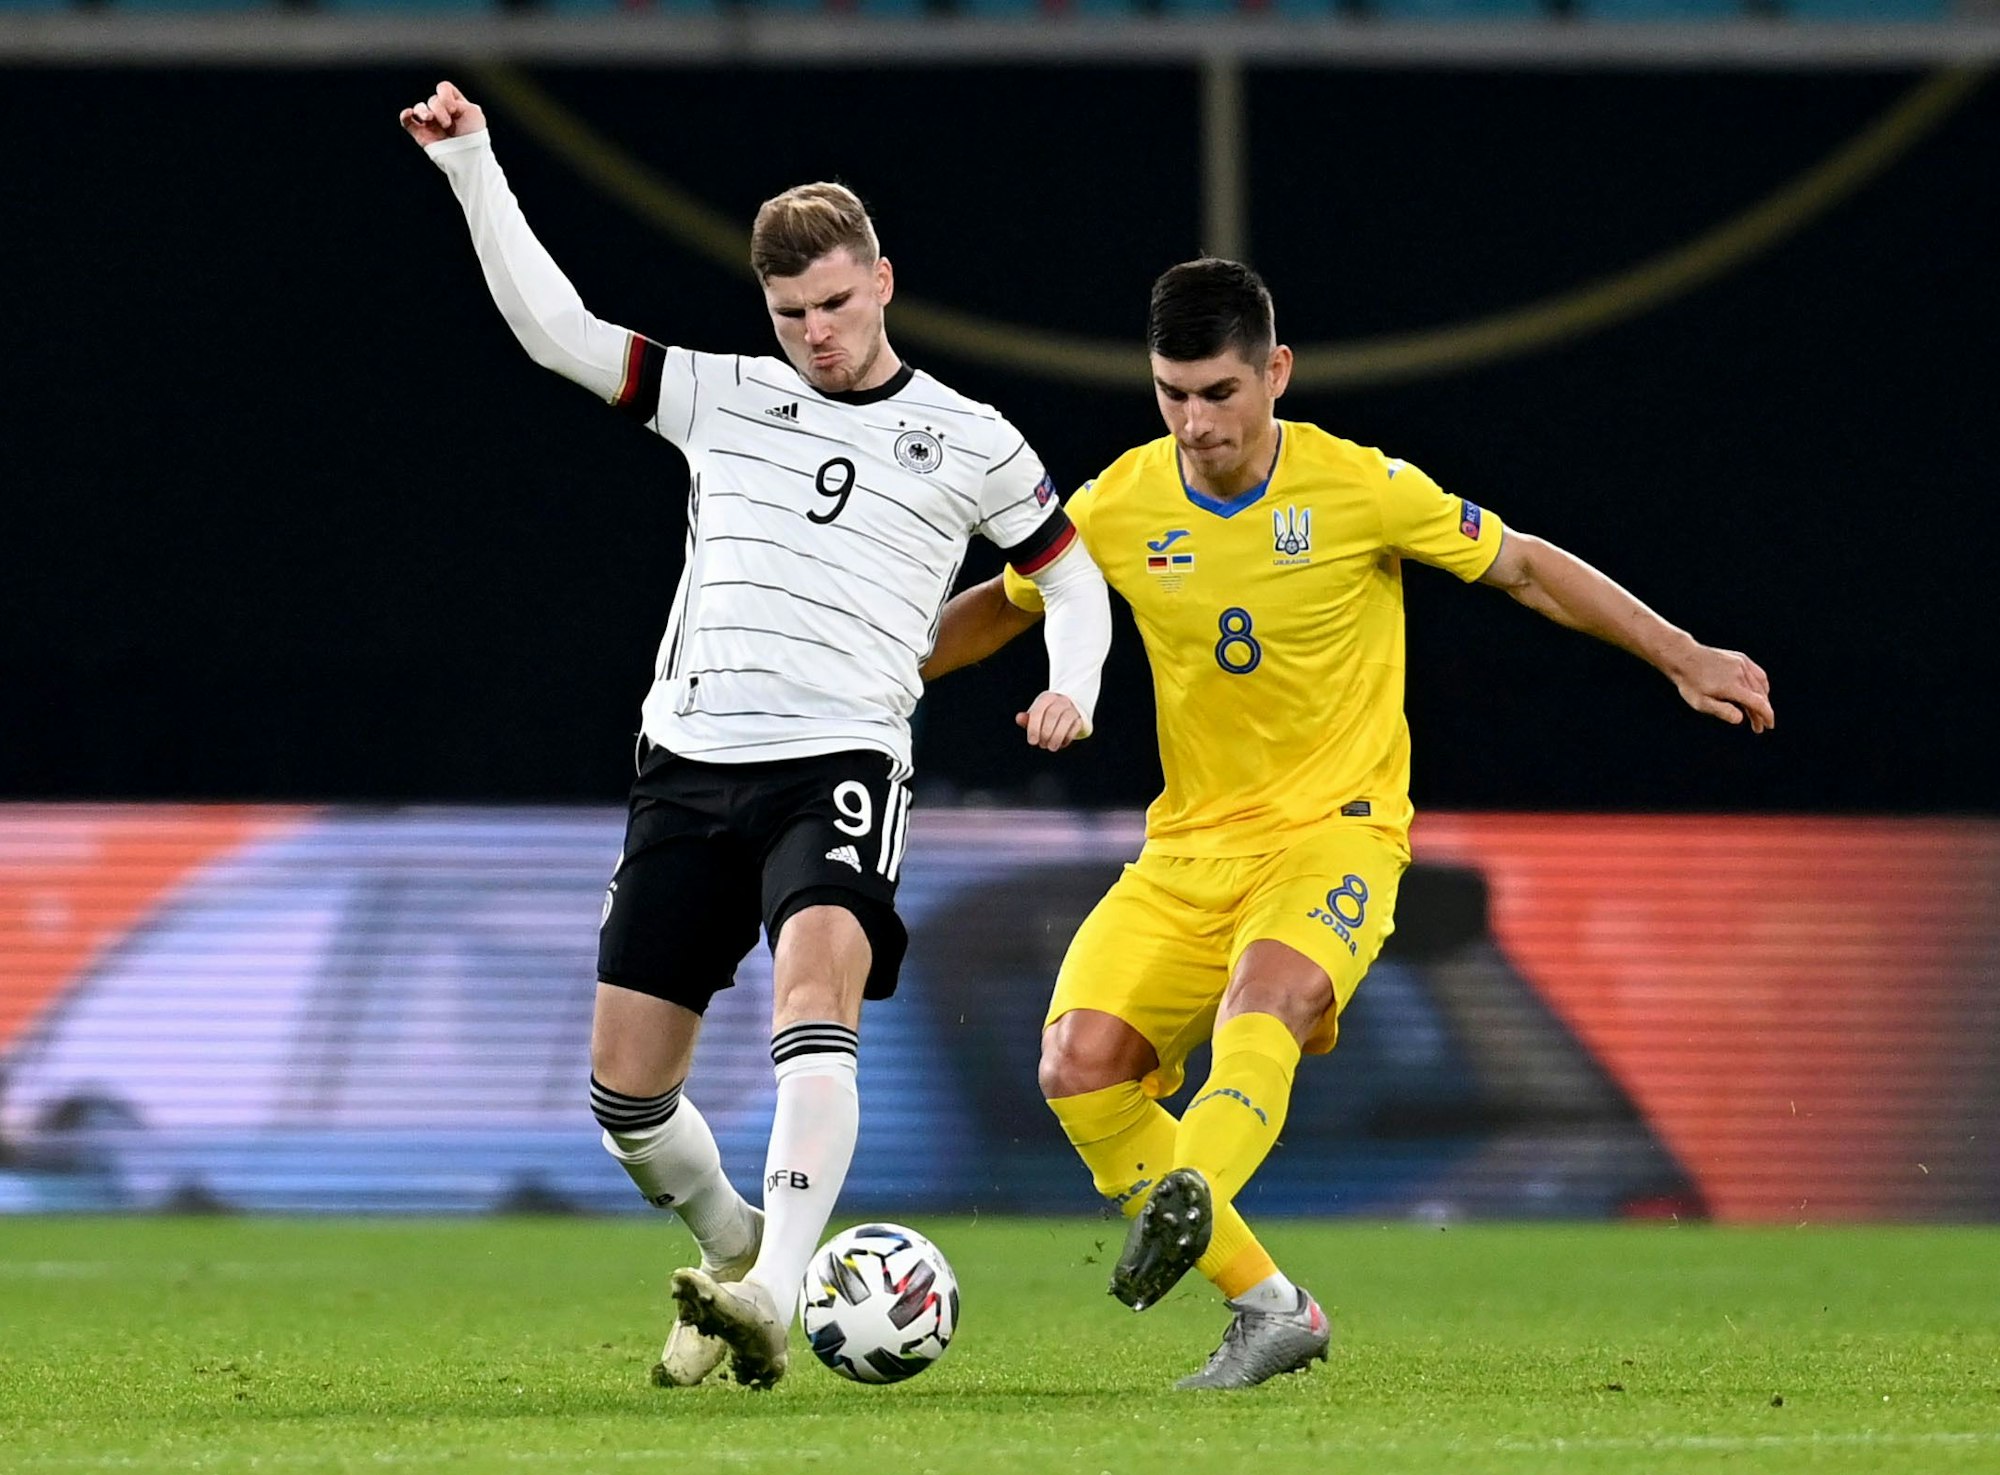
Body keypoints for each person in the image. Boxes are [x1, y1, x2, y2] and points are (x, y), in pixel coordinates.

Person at [923, 257, 1772, 1390]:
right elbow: (1005, 603)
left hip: (1338, 831)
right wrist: (868, 672)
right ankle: (1271, 1309)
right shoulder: (1123, 501)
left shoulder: (1359, 487)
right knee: (1078, 1067)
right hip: (1186, 851)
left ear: (1275, 373)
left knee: (1262, 999)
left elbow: (1519, 567)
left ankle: (1193, 1192)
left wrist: (1681, 653)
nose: (1194, 422)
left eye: (1218, 393)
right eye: (1171, 394)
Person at [399, 80, 1111, 1390]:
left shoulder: (969, 441)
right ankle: (736, 1248)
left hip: (836, 760)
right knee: (626, 1097)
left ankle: (781, 1286)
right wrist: (473, 166)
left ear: (883, 282)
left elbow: (1071, 573)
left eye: (835, 305)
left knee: (814, 991)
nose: (816, 334)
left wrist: (1077, 681)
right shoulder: (723, 397)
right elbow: (559, 333)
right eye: (790, 314)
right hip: (688, 765)